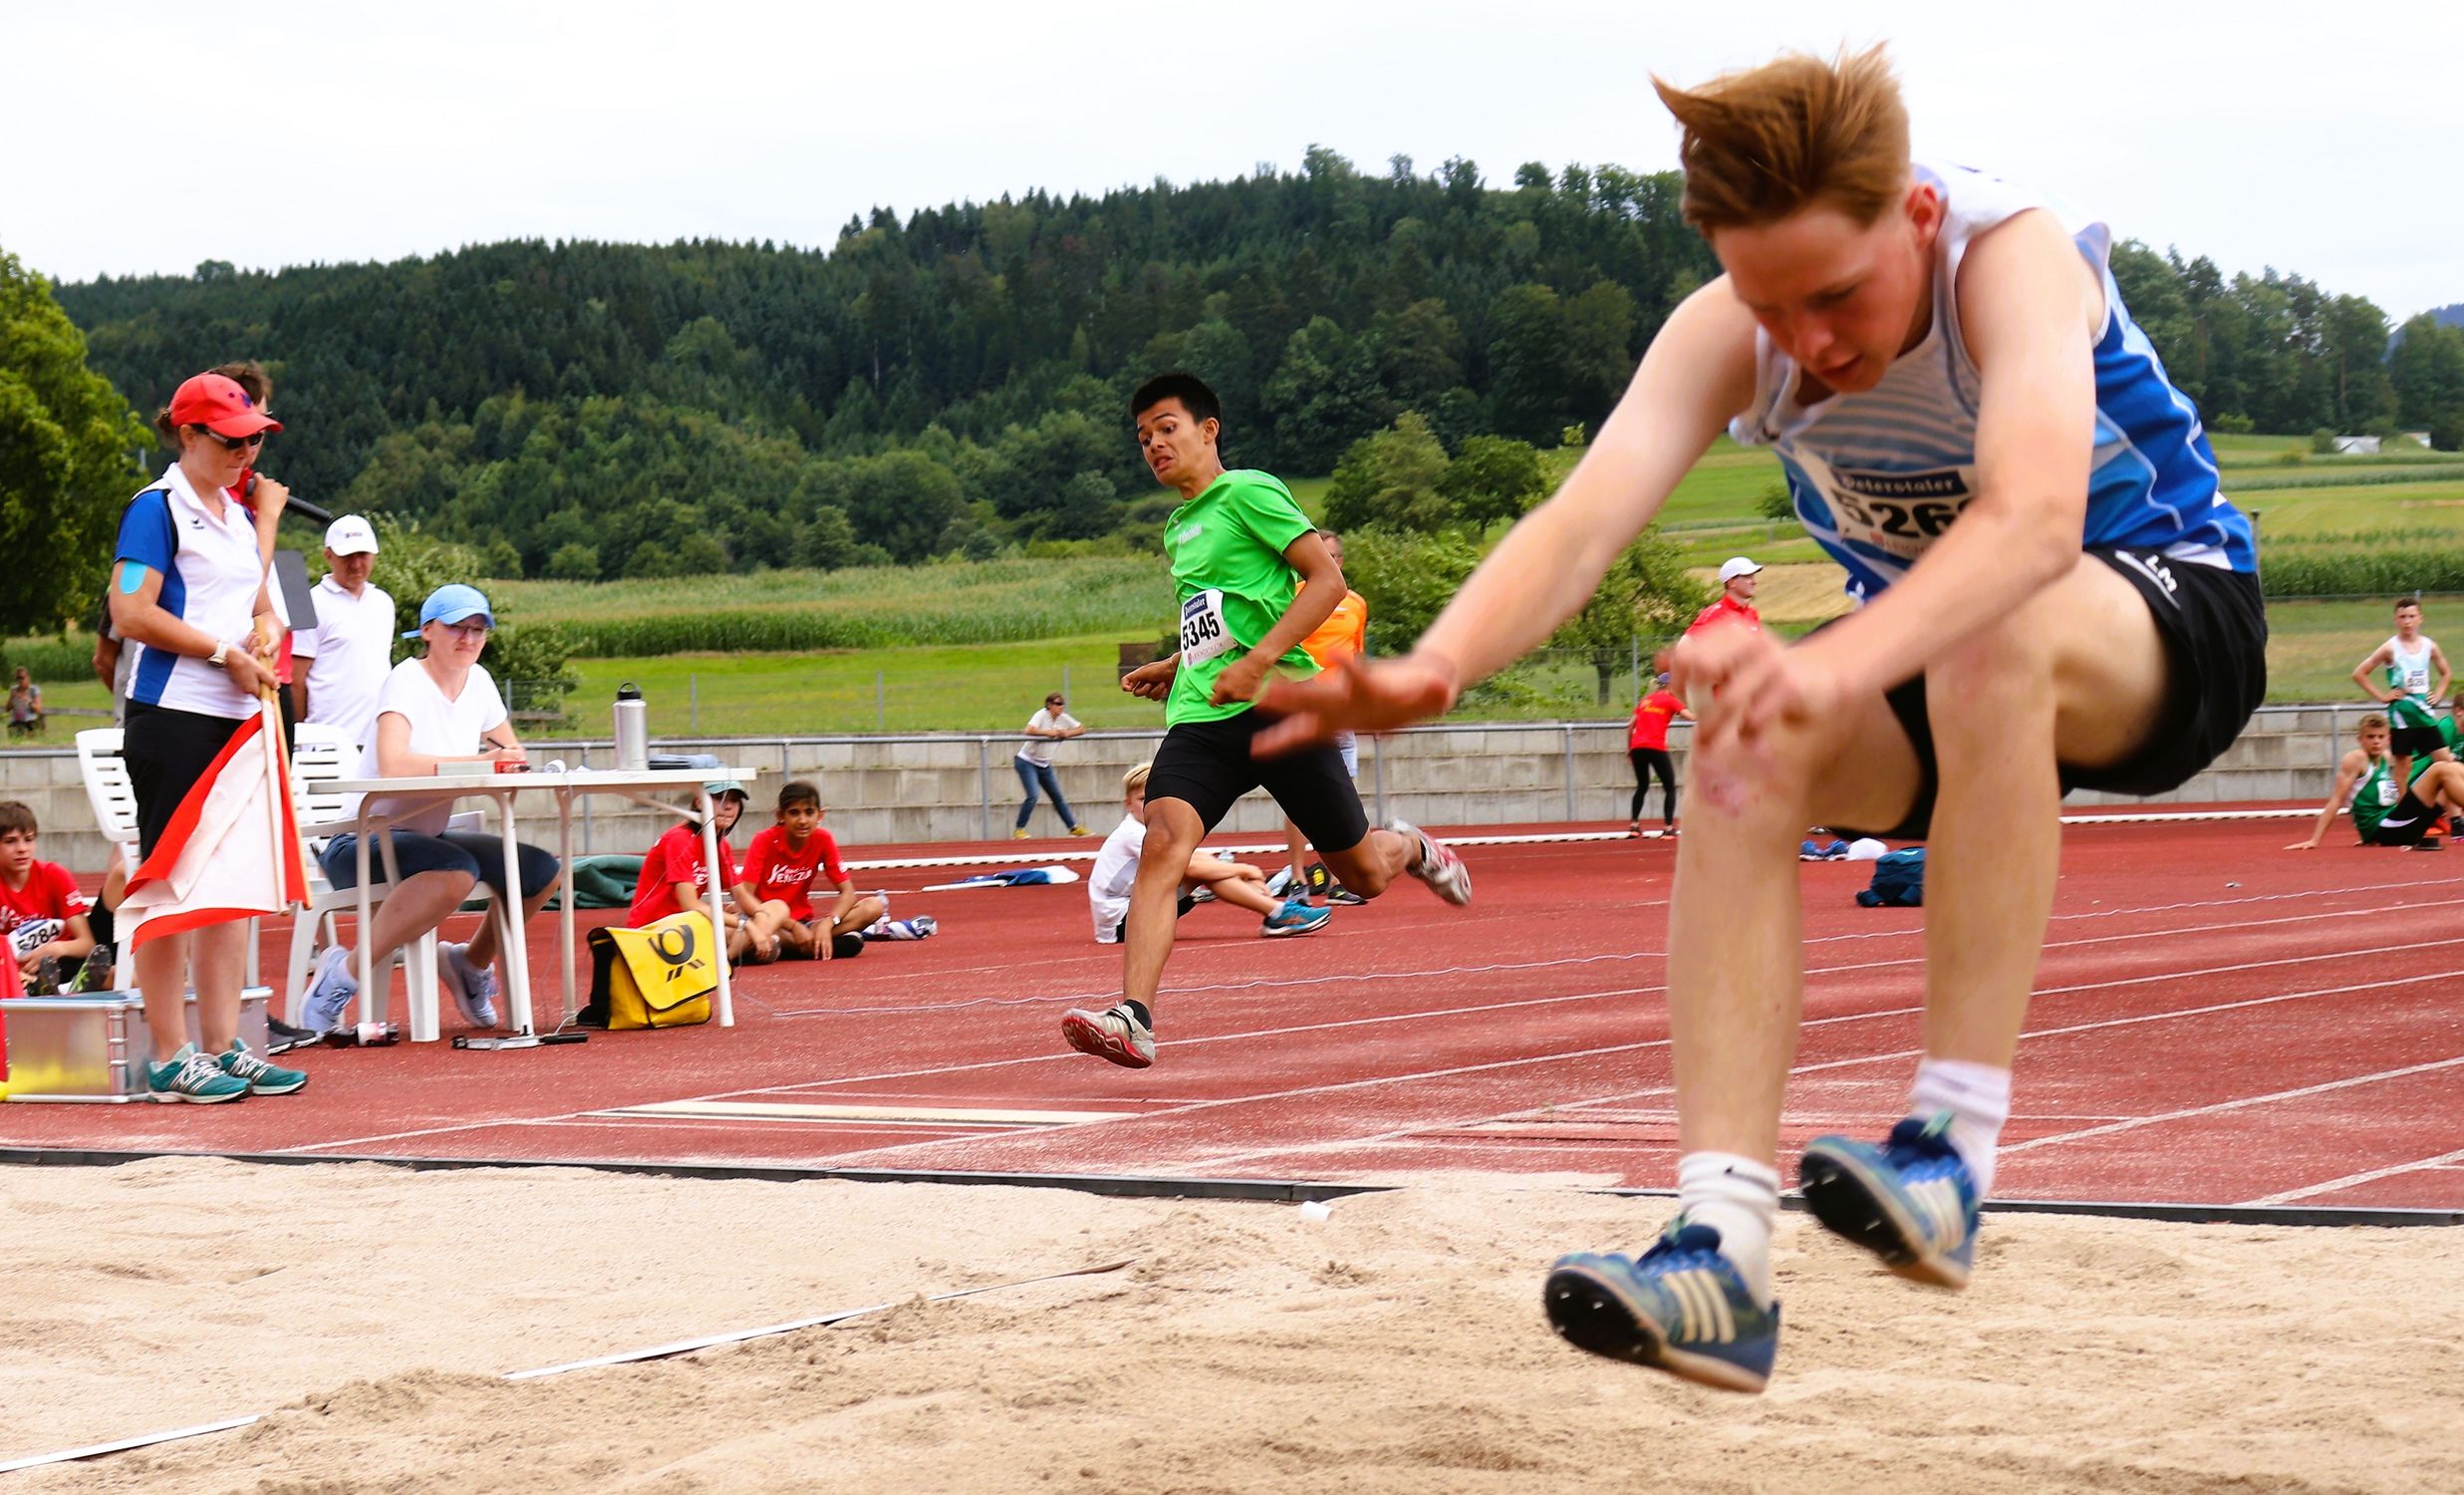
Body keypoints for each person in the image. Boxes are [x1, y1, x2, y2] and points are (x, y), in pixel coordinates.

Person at [1257, 48, 2265, 1392]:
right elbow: (1579, 525)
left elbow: (2032, 523)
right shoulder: (1734, 327)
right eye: (1769, 306)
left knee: (1983, 621)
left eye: (1838, 297)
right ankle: (1718, 1250)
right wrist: (1435, 672)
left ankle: (1949, 1152)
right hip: (1944, 663)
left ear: (1912, 216)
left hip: (2166, 613)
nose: (1811, 346)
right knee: (1732, 734)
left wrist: (1839, 668)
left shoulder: (2005, 257)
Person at [1057, 373, 1472, 1070]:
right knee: (1163, 839)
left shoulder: (1249, 491)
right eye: (1142, 438)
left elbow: (1325, 582)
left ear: (1207, 429)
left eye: (1166, 428)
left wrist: (1262, 662)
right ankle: (1133, 1018)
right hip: (1204, 716)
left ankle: (1408, 847)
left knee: (1363, 875)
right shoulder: (1177, 525)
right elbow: (1222, 613)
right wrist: (1174, 661)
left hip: (1281, 707)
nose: (1153, 445)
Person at [110, 369, 308, 1100]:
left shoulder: (231, 511)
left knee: (228, 887)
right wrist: (223, 652)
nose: (245, 453)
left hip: (236, 718)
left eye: (254, 439)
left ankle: (224, 1047)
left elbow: (261, 599)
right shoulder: (154, 508)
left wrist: (257, 635)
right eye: (231, 440)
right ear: (189, 434)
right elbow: (130, 613)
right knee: (171, 882)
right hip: (173, 716)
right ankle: (169, 1052)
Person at [296, 584, 563, 1034]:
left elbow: (509, 749)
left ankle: (469, 964)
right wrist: (480, 762)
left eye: (478, 629)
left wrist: (508, 761)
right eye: (457, 627)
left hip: (427, 837)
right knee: (456, 872)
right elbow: (394, 763)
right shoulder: (405, 679)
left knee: (539, 871)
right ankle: (342, 973)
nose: (469, 638)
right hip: (358, 840)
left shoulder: (479, 682)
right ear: (426, 631)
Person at [1089, 762, 1311, 943]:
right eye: (1141, 799)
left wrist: (1238, 874)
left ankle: (1275, 911)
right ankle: (1277, 912)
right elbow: (1192, 867)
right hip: (1119, 922)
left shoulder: (1154, 828)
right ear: (1128, 804)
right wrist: (1246, 869)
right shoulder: (1132, 833)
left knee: (1206, 867)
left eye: (1154, 798)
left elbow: (1198, 858)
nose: (1149, 805)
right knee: (1200, 871)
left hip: (1137, 907)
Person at [1276, 528, 1370, 905]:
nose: (1327, 563)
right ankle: (1299, 877)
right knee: (1302, 793)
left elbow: (1355, 655)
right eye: (1319, 556)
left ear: (1341, 562)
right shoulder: (1293, 597)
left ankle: (1337, 878)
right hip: (1306, 704)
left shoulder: (1357, 604)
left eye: (1332, 557)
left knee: (1343, 792)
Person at [734, 779, 885, 961]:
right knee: (746, 920)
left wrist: (829, 923)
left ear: (820, 815)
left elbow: (848, 893)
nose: (803, 820)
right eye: (794, 813)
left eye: (809, 812)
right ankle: (814, 946)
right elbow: (745, 898)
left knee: (874, 906)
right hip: (772, 922)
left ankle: (803, 945)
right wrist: (792, 926)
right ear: (780, 815)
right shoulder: (764, 840)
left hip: (807, 925)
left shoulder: (823, 839)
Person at [291, 514, 398, 750]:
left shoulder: (384, 603)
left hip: (376, 740)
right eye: (347, 556)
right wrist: (302, 735)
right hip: (326, 740)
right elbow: (295, 680)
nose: (356, 564)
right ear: (328, 555)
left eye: (363, 555)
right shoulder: (306, 602)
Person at [2288, 713, 2464, 850]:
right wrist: (2314, 840)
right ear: (2360, 739)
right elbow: (2336, 800)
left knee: (2452, 769)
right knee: (2441, 768)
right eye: (2371, 737)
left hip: (2401, 827)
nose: (2376, 742)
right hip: (2386, 829)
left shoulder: (2386, 758)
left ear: (2388, 739)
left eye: (2381, 737)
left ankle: (2458, 824)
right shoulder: (2356, 759)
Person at [631, 781, 760, 962]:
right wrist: (746, 924)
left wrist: (766, 919)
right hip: (654, 929)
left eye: (734, 800)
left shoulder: (720, 843)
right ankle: (719, 969)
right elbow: (690, 905)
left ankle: (719, 963)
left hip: (686, 926)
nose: (729, 806)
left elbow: (740, 894)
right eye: (719, 799)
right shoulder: (680, 840)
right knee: (750, 936)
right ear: (699, 802)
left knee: (774, 916)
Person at [2349, 598, 2451, 790]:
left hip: (2424, 716)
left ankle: (2454, 816)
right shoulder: (2390, 648)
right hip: (2401, 717)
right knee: (2403, 767)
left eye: (2412, 616)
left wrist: (2437, 695)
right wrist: (2382, 696)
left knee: (2446, 763)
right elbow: (2359, 673)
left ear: (2420, 619)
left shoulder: (2429, 646)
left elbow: (2446, 673)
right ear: (2396, 620)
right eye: (2402, 617)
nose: (2407, 621)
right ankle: (2402, 814)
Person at [1, 801, 96, 991]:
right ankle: (45, 988)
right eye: (10, 841)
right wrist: (14, 973)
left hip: (61, 964)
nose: (22, 849)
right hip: (10, 974)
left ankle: (63, 986)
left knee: (111, 973)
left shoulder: (55, 875)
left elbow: (87, 943)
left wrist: (55, 949)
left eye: (28, 839)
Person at [1013, 693, 1091, 839]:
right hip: (1027, 761)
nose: (1060, 707)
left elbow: (1081, 729)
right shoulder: (1042, 715)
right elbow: (1028, 730)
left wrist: (1066, 733)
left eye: (1062, 704)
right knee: (1033, 795)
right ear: (1049, 705)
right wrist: (1047, 733)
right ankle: (1019, 829)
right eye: (1057, 703)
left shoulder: (1063, 718)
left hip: (1044, 764)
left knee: (1057, 797)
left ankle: (1073, 827)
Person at [1627, 660, 1691, 837]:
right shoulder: (1670, 700)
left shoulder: (1645, 701)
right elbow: (1690, 717)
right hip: (1655, 746)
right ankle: (1668, 828)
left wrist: (1629, 750)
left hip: (1637, 747)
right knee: (1669, 786)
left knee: (1642, 786)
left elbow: (1630, 726)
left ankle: (1634, 825)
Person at [1689, 557, 1764, 636]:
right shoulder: (1715, 613)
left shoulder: (1752, 612)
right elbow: (1684, 645)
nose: (1754, 582)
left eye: (1753, 577)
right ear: (1731, 582)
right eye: (1747, 577)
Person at [6, 669, 41, 739]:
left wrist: (28, 701)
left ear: (28, 678)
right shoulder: (14, 689)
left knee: (31, 727)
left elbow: (38, 709)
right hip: (17, 720)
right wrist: (12, 698)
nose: (20, 680)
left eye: (22, 678)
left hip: (30, 720)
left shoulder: (34, 689)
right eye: (17, 678)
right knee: (13, 728)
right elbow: (7, 709)